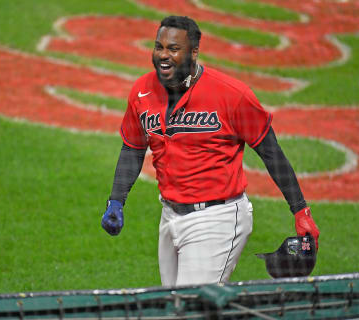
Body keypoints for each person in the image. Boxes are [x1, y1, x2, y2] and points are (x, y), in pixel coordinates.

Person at [101, 15, 319, 286]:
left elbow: (270, 151)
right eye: (159, 47)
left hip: (218, 219)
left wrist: (301, 211)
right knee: (179, 308)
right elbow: (133, 148)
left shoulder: (231, 95)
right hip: (169, 216)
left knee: (190, 307)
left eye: (173, 48)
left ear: (194, 52)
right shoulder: (142, 91)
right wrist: (116, 200)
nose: (163, 56)